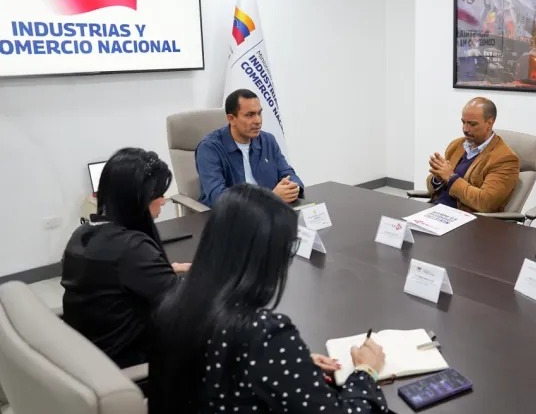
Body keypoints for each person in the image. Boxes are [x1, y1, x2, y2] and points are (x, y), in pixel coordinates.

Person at [149, 184, 388, 413]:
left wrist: (292, 366)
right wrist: (367, 370)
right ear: (266, 257)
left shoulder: (172, 304)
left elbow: (217, 375)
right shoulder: (264, 335)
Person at [61, 148, 190, 368]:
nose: (164, 200)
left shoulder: (82, 234)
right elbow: (183, 308)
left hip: (92, 357)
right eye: (159, 194)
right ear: (138, 199)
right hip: (132, 367)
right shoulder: (133, 249)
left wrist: (164, 269)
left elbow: (113, 278)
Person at [195, 88, 304, 207]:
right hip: (230, 218)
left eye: (259, 113)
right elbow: (218, 197)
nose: (258, 121)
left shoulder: (268, 140)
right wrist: (270, 198)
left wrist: (292, 187)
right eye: (250, 115)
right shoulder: (209, 148)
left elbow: (288, 173)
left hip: (269, 214)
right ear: (231, 119)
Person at [426, 97, 520, 213]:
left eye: (472, 124)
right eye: (463, 122)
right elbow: (433, 189)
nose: (465, 129)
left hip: (468, 220)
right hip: (437, 210)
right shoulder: (456, 145)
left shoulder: (505, 159)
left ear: (489, 123)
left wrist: (451, 178)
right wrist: (437, 178)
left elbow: (485, 202)